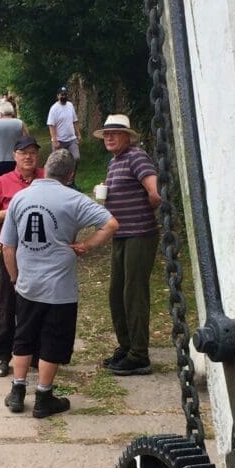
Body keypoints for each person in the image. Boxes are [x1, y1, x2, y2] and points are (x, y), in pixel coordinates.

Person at [1, 149, 118, 416]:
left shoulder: (20, 198)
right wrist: (87, 245)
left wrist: (15, 277)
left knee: (24, 335)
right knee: (52, 339)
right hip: (60, 287)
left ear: (45, 168)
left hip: (28, 283)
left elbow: (8, 246)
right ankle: (44, 396)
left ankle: (17, 391)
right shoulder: (74, 199)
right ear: (71, 175)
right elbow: (111, 224)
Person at [95, 115, 160, 376]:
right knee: (116, 293)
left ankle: (139, 354)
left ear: (127, 137)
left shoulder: (136, 156)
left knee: (134, 293)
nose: (109, 137)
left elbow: (154, 190)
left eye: (115, 133)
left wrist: (148, 208)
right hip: (121, 235)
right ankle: (126, 346)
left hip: (139, 234)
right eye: (106, 134)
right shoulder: (115, 162)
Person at [0, 135, 45, 376]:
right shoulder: (1, 183)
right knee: (8, 304)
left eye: (33, 153)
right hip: (11, 252)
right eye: (23, 153)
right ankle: (3, 355)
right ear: (14, 156)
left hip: (41, 253)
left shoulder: (46, 179)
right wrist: (10, 211)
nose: (28, 157)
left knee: (40, 304)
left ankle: (36, 353)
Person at [0, 102, 29, 178]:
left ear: (0, 112)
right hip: (17, 160)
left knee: (0, 186)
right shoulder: (20, 123)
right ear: (12, 111)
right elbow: (27, 142)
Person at [46, 86, 81, 169]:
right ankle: (59, 179)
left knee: (76, 158)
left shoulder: (70, 105)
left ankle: (71, 179)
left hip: (71, 139)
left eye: (65, 94)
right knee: (57, 163)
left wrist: (78, 134)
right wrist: (55, 140)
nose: (64, 96)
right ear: (58, 96)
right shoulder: (54, 108)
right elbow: (51, 125)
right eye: (62, 95)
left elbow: (74, 121)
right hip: (59, 140)